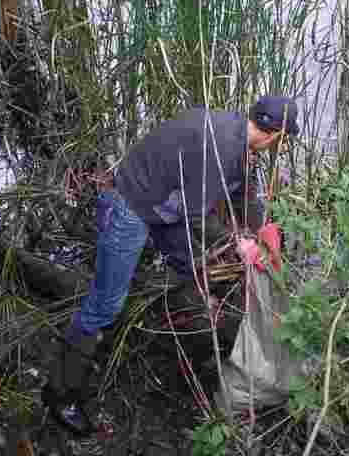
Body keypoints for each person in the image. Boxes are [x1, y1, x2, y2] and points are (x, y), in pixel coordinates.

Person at [42, 95, 300, 436]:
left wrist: (260, 230)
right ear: (274, 135)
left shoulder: (240, 144)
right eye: (284, 140)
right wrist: (239, 243)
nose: (282, 147)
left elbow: (242, 195)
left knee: (195, 271)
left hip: (165, 204)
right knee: (105, 305)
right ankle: (60, 395)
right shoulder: (219, 148)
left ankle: (179, 340)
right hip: (131, 207)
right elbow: (195, 214)